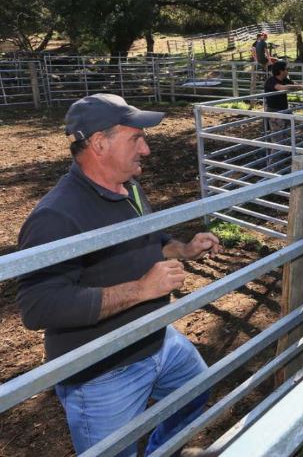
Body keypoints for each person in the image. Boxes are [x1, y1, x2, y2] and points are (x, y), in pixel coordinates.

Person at [16, 94, 223, 456]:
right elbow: (38, 307)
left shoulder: (129, 188)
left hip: (157, 338)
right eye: (135, 138)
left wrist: (183, 249)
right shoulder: (57, 216)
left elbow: (149, 239)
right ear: (99, 142)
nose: (146, 149)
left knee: (196, 391)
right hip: (103, 370)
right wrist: (141, 290)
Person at [263, 60, 303, 131]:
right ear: (281, 71)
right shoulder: (271, 80)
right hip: (274, 111)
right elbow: (281, 87)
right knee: (278, 134)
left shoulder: (284, 79)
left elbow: (294, 84)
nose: (288, 71)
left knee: (289, 130)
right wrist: (301, 87)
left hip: (285, 109)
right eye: (287, 69)